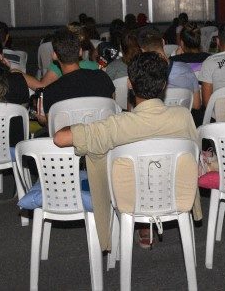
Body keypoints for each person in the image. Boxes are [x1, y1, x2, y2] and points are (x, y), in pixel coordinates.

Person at [54, 52, 202, 251]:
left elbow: (60, 138)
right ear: (163, 85)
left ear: (130, 84)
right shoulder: (183, 117)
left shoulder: (115, 125)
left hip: (128, 200)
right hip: (173, 192)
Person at [37, 28, 115, 125]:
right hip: (103, 137)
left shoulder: (50, 92)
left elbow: (53, 127)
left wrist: (43, 120)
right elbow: (112, 108)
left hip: (70, 139)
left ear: (54, 56)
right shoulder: (103, 78)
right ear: (80, 52)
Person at [139, 33, 201, 110]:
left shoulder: (143, 78)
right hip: (182, 119)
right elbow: (197, 105)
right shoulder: (186, 69)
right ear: (163, 42)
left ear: (142, 51)